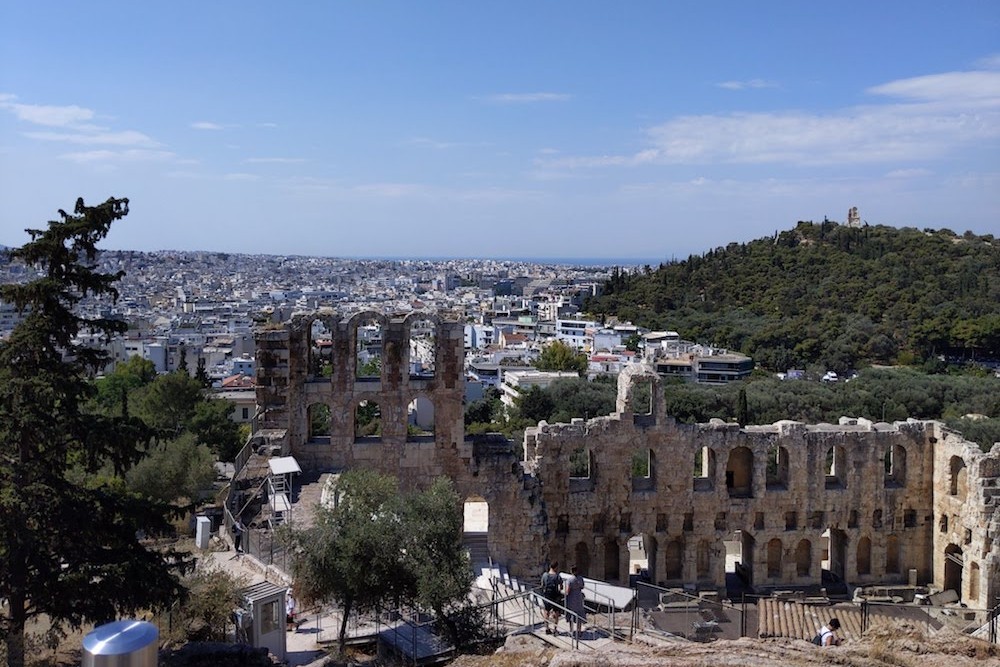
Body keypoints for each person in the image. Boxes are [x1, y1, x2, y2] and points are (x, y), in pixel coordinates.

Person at [564, 565, 587, 639]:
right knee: (579, 612)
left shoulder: (570, 580)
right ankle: (579, 631)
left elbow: (567, 591)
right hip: (579, 597)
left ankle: (571, 630)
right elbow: (582, 586)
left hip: (571, 598)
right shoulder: (581, 578)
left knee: (571, 613)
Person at [540, 561, 563, 635]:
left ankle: (547, 628)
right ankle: (555, 629)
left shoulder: (545, 575)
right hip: (555, 595)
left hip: (547, 594)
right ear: (556, 567)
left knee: (546, 611)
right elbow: (561, 587)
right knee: (556, 612)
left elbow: (542, 585)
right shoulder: (557, 576)